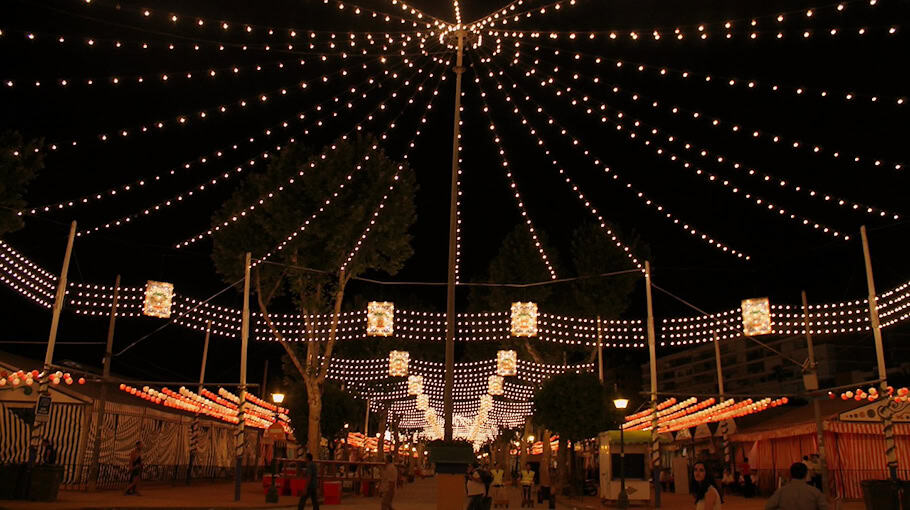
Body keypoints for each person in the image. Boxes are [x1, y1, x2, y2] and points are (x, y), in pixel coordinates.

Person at [764, 462, 828, 510]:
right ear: (806, 474)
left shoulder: (781, 491)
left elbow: (768, 507)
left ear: (790, 474)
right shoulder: (815, 492)